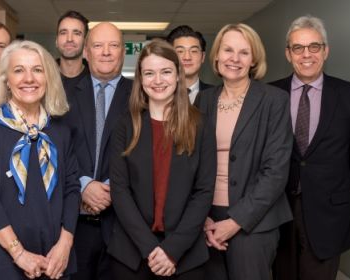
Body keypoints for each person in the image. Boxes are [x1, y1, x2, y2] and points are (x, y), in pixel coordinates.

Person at [0, 40, 81, 280]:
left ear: (48, 78)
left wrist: (65, 244)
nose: (29, 78)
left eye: (37, 70)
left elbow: (72, 188)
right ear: (6, 80)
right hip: (4, 259)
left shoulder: (60, 130)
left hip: (55, 260)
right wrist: (19, 254)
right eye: (19, 70)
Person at [108, 39, 216, 279]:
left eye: (166, 71)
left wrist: (172, 250)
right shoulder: (126, 125)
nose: (158, 81)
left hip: (185, 255)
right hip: (132, 254)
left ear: (178, 75)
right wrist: (150, 248)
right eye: (149, 73)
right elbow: (120, 191)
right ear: (140, 78)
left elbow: (204, 192)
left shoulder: (200, 124)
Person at [195, 23, 293, 280]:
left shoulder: (274, 100)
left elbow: (276, 171)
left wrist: (235, 221)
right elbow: (191, 163)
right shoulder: (202, 101)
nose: (234, 59)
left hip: (254, 222)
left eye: (244, 52)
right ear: (216, 56)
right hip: (206, 218)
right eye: (228, 50)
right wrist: (201, 216)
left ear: (254, 60)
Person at [271, 15, 350, 280]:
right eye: (298, 48)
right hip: (278, 209)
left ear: (325, 50)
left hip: (328, 210)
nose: (306, 55)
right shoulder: (270, 95)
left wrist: (339, 186)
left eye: (314, 46)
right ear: (288, 54)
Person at [63, 22, 133, 280]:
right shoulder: (61, 95)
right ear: (85, 52)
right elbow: (56, 151)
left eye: (113, 45)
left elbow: (144, 156)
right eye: (98, 45)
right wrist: (84, 184)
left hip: (122, 225)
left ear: (122, 52)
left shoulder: (141, 95)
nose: (106, 52)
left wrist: (113, 188)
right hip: (73, 224)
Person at [166, 25, 213, 103]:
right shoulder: (159, 93)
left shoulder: (216, 95)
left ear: (203, 57)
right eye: (180, 51)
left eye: (194, 51)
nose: (187, 57)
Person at [55, 10, 90, 91]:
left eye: (77, 33)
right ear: (56, 41)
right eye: (63, 33)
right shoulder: (44, 77)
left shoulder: (95, 80)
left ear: (85, 42)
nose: (69, 39)